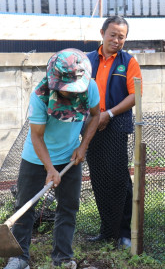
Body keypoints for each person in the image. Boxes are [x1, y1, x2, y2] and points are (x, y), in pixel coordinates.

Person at [4, 48, 100, 269]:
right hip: (36, 158)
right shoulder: (40, 95)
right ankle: (19, 258)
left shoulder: (89, 88)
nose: (69, 92)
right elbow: (37, 137)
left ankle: (63, 257)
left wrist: (83, 146)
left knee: (68, 207)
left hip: (70, 157)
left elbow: (96, 116)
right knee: (26, 207)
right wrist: (49, 168)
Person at [86, 15, 142, 248]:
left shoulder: (128, 62)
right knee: (99, 179)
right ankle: (107, 231)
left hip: (116, 124)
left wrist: (108, 114)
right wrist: (93, 117)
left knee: (119, 180)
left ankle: (125, 233)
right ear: (102, 33)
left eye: (122, 37)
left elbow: (135, 95)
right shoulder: (87, 60)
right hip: (90, 125)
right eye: (113, 34)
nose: (117, 40)